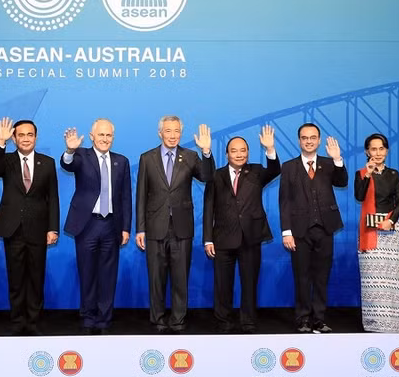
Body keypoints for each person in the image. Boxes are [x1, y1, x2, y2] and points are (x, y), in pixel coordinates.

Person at [135, 115, 213, 333]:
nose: (172, 135)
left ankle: (178, 319)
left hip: (181, 227)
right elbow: (141, 195)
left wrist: (206, 152)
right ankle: (158, 319)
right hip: (154, 226)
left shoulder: (190, 156)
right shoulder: (147, 158)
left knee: (180, 278)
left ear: (181, 133)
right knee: (156, 278)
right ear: (160, 133)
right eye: (168, 131)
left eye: (176, 131)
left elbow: (207, 176)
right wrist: (140, 228)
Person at [203, 125, 279, 334]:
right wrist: (208, 239)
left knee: (249, 283)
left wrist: (270, 150)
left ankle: (248, 322)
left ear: (248, 152)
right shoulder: (216, 176)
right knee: (222, 285)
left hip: (250, 238)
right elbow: (208, 207)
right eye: (234, 151)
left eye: (243, 150)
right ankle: (224, 322)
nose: (239, 154)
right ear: (227, 154)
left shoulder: (256, 171)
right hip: (222, 238)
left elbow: (274, 171)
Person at [60, 119, 132, 334]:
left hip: (111, 224)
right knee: (87, 272)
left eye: (109, 135)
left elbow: (126, 198)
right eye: (101, 135)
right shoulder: (81, 155)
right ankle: (88, 315)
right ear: (92, 136)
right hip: (87, 225)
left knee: (108, 274)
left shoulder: (122, 161)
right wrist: (69, 151)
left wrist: (126, 228)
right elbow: (67, 164)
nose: (105, 139)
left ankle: (104, 316)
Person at [0, 118, 59, 336]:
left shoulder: (47, 163)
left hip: (38, 229)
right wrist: (0, 142)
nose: (26, 139)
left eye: (30, 135)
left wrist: (53, 228)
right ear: (14, 138)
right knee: (16, 277)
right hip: (13, 229)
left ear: (36, 138)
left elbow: (53, 198)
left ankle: (34, 321)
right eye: (21, 135)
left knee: (36, 277)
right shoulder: (7, 161)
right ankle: (18, 320)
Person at [279, 122, 347, 333]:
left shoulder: (328, 164)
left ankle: (319, 319)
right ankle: (303, 319)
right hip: (299, 232)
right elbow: (284, 201)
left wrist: (337, 159)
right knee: (301, 276)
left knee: (321, 276)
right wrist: (286, 231)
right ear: (299, 140)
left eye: (313, 137)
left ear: (318, 140)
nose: (309, 141)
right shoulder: (289, 167)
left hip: (325, 229)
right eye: (305, 138)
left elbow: (342, 181)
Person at [354, 133, 399, 333]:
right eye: (373, 149)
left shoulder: (394, 174)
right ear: (367, 152)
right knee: (372, 279)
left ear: (386, 150)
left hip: (390, 230)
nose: (377, 153)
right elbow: (359, 196)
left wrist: (390, 220)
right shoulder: (361, 173)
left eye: (381, 148)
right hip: (369, 231)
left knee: (391, 279)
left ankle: (392, 323)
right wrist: (367, 174)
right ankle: (373, 323)